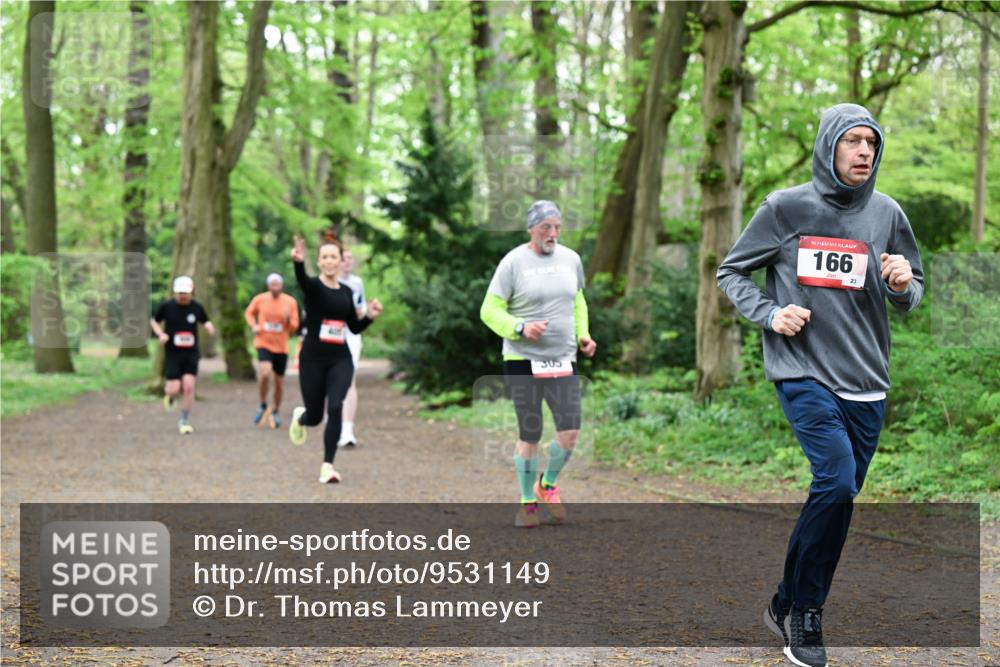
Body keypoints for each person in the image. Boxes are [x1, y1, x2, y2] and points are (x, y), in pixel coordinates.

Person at [717, 103, 923, 667]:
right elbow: (731, 271)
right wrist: (769, 313)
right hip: (803, 370)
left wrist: (903, 283)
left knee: (837, 497)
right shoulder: (786, 208)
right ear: (829, 146)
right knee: (834, 482)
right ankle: (808, 614)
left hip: (867, 380)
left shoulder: (886, 213)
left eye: (872, 144)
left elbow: (913, 287)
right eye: (853, 141)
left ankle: (785, 600)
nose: (864, 152)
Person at [480, 200, 597, 529]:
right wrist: (519, 327)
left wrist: (584, 335)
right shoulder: (513, 262)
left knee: (570, 431)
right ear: (531, 228)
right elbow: (489, 310)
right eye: (546, 227)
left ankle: (546, 486)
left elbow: (577, 301)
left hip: (563, 359)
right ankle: (527, 504)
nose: (553, 233)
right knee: (530, 433)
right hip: (522, 360)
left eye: (557, 226)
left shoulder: (571, 259)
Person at [287, 235, 383, 483]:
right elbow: (302, 280)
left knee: (336, 406)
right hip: (312, 360)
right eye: (325, 257)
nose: (330, 261)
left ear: (341, 262)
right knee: (316, 416)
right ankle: (301, 418)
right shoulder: (313, 288)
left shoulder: (347, 292)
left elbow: (353, 326)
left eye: (334, 257)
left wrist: (370, 316)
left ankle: (327, 466)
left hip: (340, 358)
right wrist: (298, 262)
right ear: (319, 262)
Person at [150, 276, 216, 435]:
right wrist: (160, 334)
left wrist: (209, 327)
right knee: (173, 389)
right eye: (180, 293)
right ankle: (171, 397)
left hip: (191, 352)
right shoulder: (167, 306)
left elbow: (206, 321)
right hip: (173, 352)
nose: (183, 296)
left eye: (186, 293)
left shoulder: (197, 307)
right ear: (175, 292)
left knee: (188, 386)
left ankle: (184, 420)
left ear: (191, 292)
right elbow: (154, 321)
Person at [244, 273, 300, 428]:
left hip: (281, 346)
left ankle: (275, 410)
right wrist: (253, 325)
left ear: (281, 286)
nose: (275, 287)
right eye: (272, 284)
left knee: (279, 382)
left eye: (277, 284)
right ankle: (262, 404)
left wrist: (289, 319)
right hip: (263, 342)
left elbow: (295, 326)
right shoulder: (260, 299)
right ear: (268, 286)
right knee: (264, 373)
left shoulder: (290, 302)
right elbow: (248, 313)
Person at [338, 249, 367, 448]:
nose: (347, 262)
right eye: (344, 258)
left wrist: (363, 312)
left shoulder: (357, 283)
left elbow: (363, 307)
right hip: (330, 335)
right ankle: (329, 415)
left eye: (350, 259)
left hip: (352, 334)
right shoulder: (324, 282)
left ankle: (347, 430)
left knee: (349, 380)